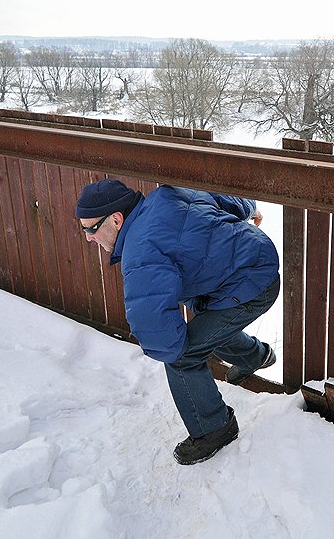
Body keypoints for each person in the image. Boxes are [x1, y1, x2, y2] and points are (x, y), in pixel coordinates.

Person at [75, 179, 279, 465]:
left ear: (116, 219)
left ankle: (214, 428)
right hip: (251, 261)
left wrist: (178, 350)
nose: (88, 237)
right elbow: (216, 196)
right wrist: (250, 208)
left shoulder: (141, 251)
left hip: (250, 284)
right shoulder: (166, 195)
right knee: (204, 333)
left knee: (184, 356)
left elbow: (159, 335)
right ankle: (257, 357)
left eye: (91, 229)